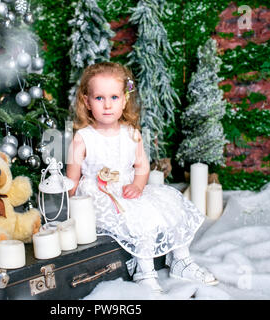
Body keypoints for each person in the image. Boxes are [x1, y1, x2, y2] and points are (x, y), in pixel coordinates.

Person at [66, 62, 218, 293]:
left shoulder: (132, 134)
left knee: (171, 205)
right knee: (141, 220)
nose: (107, 105)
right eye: (99, 98)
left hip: (128, 189)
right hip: (100, 195)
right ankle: (145, 272)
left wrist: (138, 185)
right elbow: (72, 181)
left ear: (125, 99)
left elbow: (142, 167)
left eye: (114, 97)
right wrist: (69, 209)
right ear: (87, 101)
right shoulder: (83, 138)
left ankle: (181, 261)